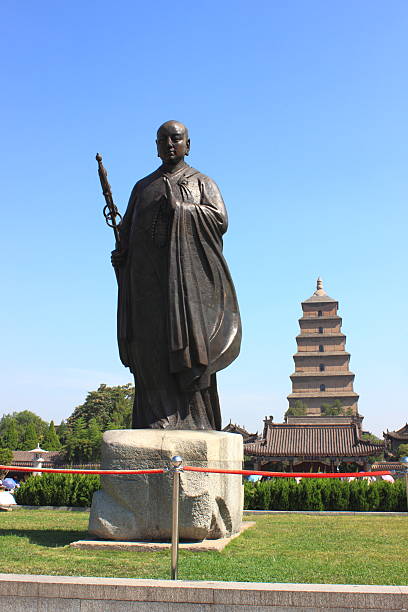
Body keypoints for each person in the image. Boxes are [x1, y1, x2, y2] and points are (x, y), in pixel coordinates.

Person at [111, 120, 241, 430]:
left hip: (185, 287)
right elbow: (127, 232)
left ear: (187, 144)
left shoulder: (202, 183)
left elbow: (220, 220)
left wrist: (182, 209)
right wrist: (123, 256)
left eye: (176, 138)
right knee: (149, 349)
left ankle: (193, 419)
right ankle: (154, 418)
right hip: (146, 284)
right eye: (162, 140)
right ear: (155, 146)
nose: (169, 144)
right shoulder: (142, 188)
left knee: (186, 350)